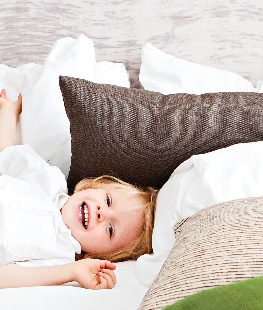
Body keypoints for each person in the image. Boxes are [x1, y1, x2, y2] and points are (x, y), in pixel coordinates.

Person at [0, 89, 157, 290]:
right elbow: (8, 155)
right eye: (108, 201)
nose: (102, 212)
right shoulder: (48, 180)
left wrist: (72, 271)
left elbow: (6, 277)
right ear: (92, 186)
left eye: (110, 229)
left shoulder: (60, 255)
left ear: (96, 256)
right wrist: (8, 113)